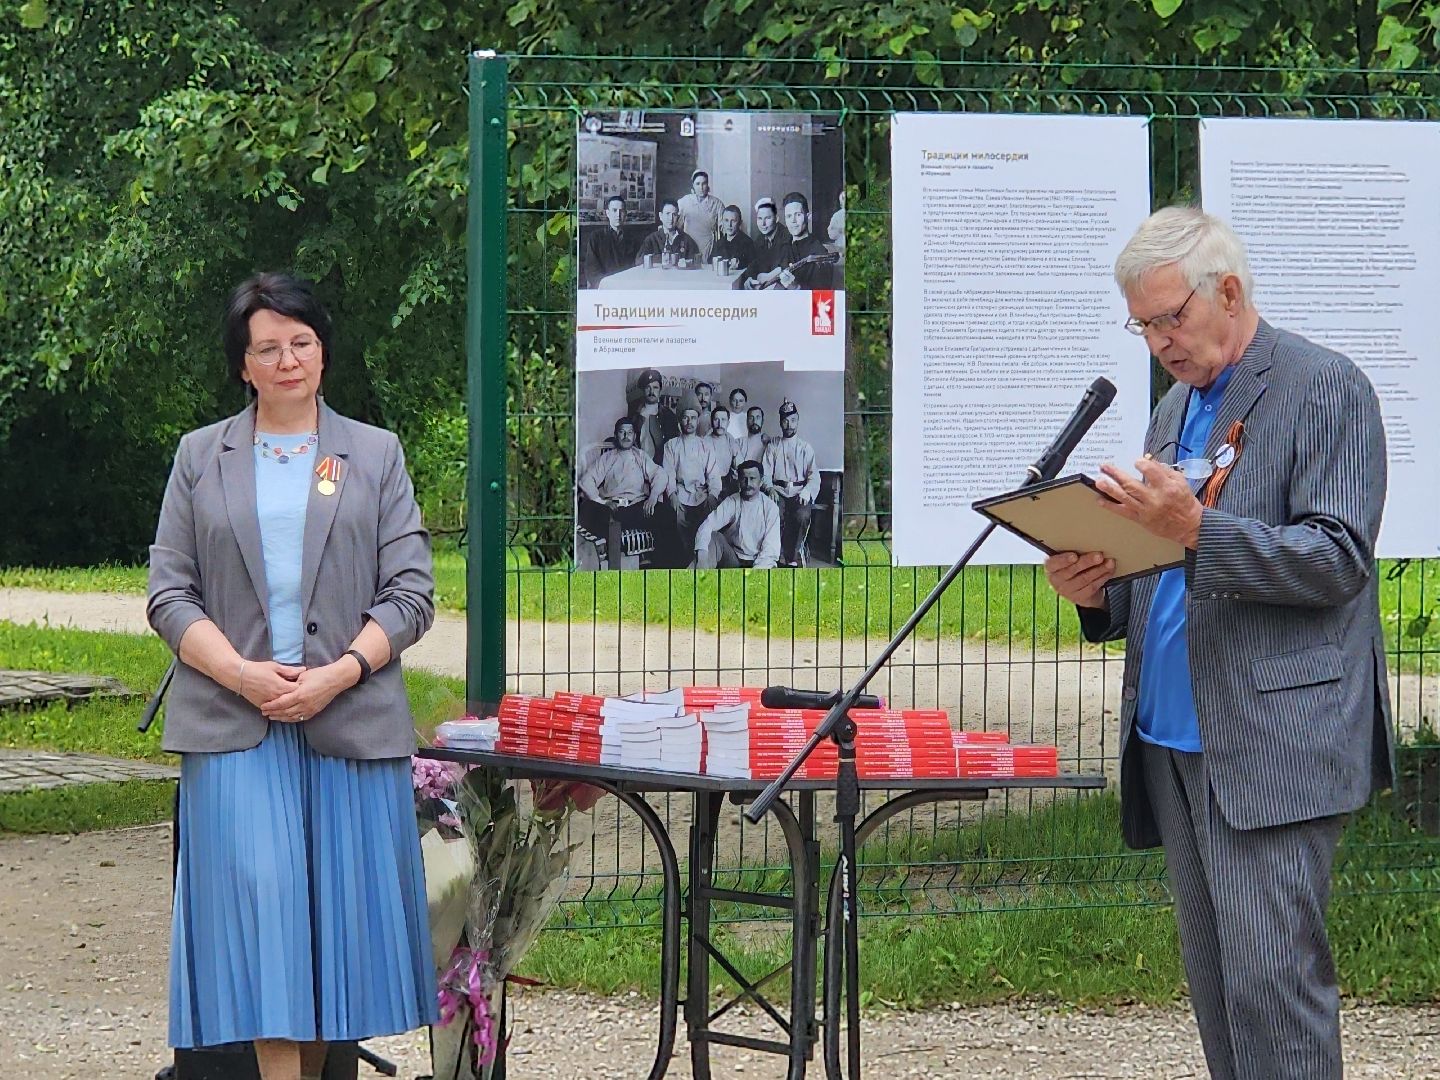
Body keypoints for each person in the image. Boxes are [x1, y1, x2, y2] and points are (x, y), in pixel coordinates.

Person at [1043, 207, 1392, 1080]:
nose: (1160, 339)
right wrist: (1098, 593)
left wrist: (1197, 527)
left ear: (1227, 292)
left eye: (1171, 317)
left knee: (1276, 990)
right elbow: (1161, 564)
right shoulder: (1174, 406)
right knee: (1220, 991)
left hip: (1270, 744)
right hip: (1173, 742)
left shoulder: (1325, 386)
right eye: (1145, 323)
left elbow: (1337, 558)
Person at [147, 272, 437, 1080]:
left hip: (346, 716)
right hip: (236, 721)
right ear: (242, 364)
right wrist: (242, 675)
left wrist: (338, 674)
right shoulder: (200, 457)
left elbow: (412, 593)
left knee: (332, 939)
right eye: (267, 347)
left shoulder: (374, 454)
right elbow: (168, 592)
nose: (287, 361)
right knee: (268, 914)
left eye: (301, 343)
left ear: (323, 352)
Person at [578, 416, 668, 567]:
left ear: (634, 436)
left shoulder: (640, 456)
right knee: (587, 508)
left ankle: (666, 565)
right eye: (622, 432)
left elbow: (660, 474)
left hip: (636, 508)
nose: (626, 436)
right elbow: (586, 480)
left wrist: (653, 497)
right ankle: (611, 555)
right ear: (616, 435)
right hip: (611, 508)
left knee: (666, 512)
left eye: (630, 433)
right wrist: (602, 502)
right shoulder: (607, 458)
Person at [762, 400, 820, 567]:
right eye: (786, 421)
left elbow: (813, 476)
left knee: (802, 515)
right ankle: (776, 555)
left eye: (793, 420)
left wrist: (807, 491)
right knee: (774, 513)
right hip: (779, 490)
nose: (789, 425)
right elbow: (765, 472)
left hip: (799, 491)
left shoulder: (805, 447)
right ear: (781, 422)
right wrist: (770, 487)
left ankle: (794, 556)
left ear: (798, 420)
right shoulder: (773, 445)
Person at [661, 405, 721, 566]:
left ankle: (699, 564)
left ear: (698, 420)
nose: (689, 422)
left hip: (702, 496)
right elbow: (668, 474)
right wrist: (672, 495)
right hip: (680, 495)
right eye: (686, 417)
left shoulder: (706, 446)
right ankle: (685, 563)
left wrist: (712, 495)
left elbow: (714, 475)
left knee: (705, 526)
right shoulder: (671, 445)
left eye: (693, 418)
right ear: (680, 420)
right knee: (677, 520)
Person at [694, 459, 781, 569]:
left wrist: (753, 576)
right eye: (744, 479)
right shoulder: (732, 501)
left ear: (761, 481)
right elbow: (707, 525)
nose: (748, 483)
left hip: (759, 562)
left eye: (752, 479)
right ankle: (696, 579)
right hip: (734, 559)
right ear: (739, 481)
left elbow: (770, 549)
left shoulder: (770, 508)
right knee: (714, 537)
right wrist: (702, 558)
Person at [627, 367, 679, 464]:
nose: (651, 392)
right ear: (643, 390)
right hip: (638, 466)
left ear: (660, 390)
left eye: (655, 387)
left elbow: (675, 446)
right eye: (648, 387)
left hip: (663, 467)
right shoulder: (634, 416)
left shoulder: (668, 415)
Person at [582, 194, 632, 287]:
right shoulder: (596, 237)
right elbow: (592, 268)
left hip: (625, 285)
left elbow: (634, 266)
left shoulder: (631, 238)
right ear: (608, 213)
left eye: (621, 211)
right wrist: (606, 285)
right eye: (614, 210)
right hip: (605, 285)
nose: (618, 214)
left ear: (625, 214)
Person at [635, 199, 701, 267]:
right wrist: (663, 258)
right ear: (661, 216)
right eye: (667, 214)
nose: (671, 218)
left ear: (678, 217)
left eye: (674, 215)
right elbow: (639, 261)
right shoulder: (651, 239)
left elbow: (696, 262)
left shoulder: (687, 239)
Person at [677, 170, 724, 263]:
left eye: (704, 183)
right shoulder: (684, 202)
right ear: (693, 186)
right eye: (697, 184)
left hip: (707, 245)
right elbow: (677, 226)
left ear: (708, 185)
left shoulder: (717, 203)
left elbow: (723, 228)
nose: (701, 187)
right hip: (688, 244)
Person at [737, 196, 783, 289]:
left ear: (777, 218)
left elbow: (786, 265)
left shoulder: (787, 237)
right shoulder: (760, 239)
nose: (763, 224)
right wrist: (749, 277)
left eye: (767, 218)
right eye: (760, 218)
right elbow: (754, 263)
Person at [704, 406, 740, 494]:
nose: (720, 424)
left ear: (728, 423)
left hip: (727, 484)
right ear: (711, 422)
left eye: (723, 420)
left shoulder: (730, 440)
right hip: (707, 484)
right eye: (716, 419)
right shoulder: (704, 442)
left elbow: (739, 464)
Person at [711, 204, 754, 269]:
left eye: (733, 221)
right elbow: (710, 262)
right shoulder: (719, 243)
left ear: (740, 222)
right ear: (722, 222)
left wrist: (740, 263)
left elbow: (753, 265)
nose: (729, 225)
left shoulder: (748, 243)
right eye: (726, 220)